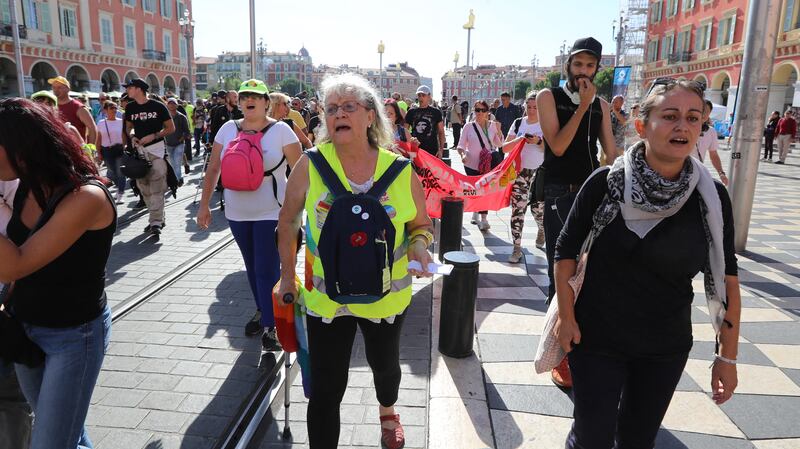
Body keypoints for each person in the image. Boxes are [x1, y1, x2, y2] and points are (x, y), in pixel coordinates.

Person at [553, 79, 740, 449]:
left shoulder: (711, 198)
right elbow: (565, 252)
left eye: (692, 118)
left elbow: (728, 277)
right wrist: (566, 316)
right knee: (591, 436)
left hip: (664, 345)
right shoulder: (604, 183)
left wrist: (727, 357)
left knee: (638, 439)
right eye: (669, 116)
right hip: (595, 337)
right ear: (642, 125)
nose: (682, 126)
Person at [276, 73, 434, 449]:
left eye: (349, 106)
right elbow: (287, 221)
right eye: (331, 108)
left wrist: (419, 245)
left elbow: (422, 225)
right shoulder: (311, 164)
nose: (338, 114)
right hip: (327, 299)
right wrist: (286, 276)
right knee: (327, 390)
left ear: (370, 116)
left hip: (387, 297)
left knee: (386, 369)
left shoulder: (399, 170)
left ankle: (388, 410)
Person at [0, 97, 117, 449]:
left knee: (52, 442)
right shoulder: (26, 187)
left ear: (22, 149)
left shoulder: (86, 197)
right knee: (68, 435)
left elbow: (14, 263)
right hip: (26, 327)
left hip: (73, 336)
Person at [197, 79, 302, 348]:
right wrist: (203, 205)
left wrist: (303, 212)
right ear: (239, 102)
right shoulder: (227, 129)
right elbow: (213, 170)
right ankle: (264, 310)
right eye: (244, 97)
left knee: (266, 267)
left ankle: (271, 325)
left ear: (267, 102)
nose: (248, 101)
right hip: (237, 212)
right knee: (252, 268)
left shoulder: (282, 131)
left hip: (272, 212)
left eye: (255, 96)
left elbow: (301, 175)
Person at [537, 37, 617, 388]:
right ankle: (557, 351)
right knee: (562, 269)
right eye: (578, 64)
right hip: (558, 193)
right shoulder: (547, 98)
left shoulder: (600, 105)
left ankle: (579, 343)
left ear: (596, 68)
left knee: (590, 272)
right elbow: (556, 145)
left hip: (591, 193)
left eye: (590, 65)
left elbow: (611, 152)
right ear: (568, 66)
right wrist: (583, 107)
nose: (583, 71)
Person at [122, 78, 175, 235]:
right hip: (139, 153)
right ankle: (157, 217)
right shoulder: (130, 107)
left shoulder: (157, 106)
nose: (127, 91)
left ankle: (155, 222)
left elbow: (171, 128)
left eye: (129, 88)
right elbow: (129, 127)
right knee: (144, 188)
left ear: (138, 89)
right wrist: (132, 136)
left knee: (157, 188)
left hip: (157, 151)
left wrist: (154, 135)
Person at [505, 94, 546, 262]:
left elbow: (551, 149)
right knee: (517, 210)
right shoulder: (518, 123)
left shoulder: (546, 125)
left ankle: (541, 229)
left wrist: (537, 142)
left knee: (538, 210)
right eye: (529, 107)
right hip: (520, 173)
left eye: (535, 107)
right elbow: (504, 148)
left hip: (540, 173)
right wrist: (520, 140)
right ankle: (516, 248)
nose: (531, 110)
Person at [457, 100, 504, 231]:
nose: (479, 113)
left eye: (483, 110)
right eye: (477, 110)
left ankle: (483, 219)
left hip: (487, 164)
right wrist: (462, 155)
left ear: (487, 112)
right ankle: (475, 211)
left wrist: (499, 131)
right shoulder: (468, 126)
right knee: (475, 191)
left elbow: (500, 145)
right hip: (471, 163)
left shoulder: (493, 126)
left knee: (484, 190)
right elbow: (461, 145)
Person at [48, 76, 97, 145]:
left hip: (77, 151)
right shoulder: (51, 106)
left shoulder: (78, 107)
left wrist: (91, 149)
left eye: (59, 87)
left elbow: (92, 129)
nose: (56, 90)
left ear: (68, 89)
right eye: (54, 87)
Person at [97, 101, 127, 204]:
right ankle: (119, 187)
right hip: (107, 150)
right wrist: (98, 152)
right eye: (111, 108)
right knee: (112, 172)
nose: (114, 110)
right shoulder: (101, 123)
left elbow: (124, 135)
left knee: (121, 172)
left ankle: (120, 194)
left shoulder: (121, 121)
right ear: (105, 110)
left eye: (115, 108)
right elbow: (98, 139)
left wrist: (125, 146)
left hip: (119, 149)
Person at [405, 85, 445, 158]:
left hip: (431, 150)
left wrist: (441, 150)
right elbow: (404, 130)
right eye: (419, 95)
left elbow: (441, 132)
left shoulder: (436, 112)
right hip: (414, 150)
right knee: (413, 169)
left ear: (429, 96)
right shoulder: (411, 112)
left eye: (423, 95)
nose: (420, 98)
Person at [695, 100, 728, 186]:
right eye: (700, 110)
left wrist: (721, 173)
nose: (703, 114)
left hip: (697, 172)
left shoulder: (711, 131)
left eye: (706, 112)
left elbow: (713, 154)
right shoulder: (684, 128)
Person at [165, 98, 192, 186]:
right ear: (167, 105)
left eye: (173, 104)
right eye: (170, 103)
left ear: (177, 105)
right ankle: (177, 178)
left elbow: (187, 131)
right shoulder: (165, 117)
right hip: (168, 144)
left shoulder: (181, 117)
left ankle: (177, 179)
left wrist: (181, 139)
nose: (172, 105)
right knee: (172, 163)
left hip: (179, 144)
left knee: (177, 162)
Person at [609, 95, 628, 164]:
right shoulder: (608, 113)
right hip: (607, 143)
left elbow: (624, 121)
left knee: (617, 163)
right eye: (613, 101)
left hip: (618, 145)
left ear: (621, 103)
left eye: (616, 102)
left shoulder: (625, 114)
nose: (613, 103)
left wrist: (614, 110)